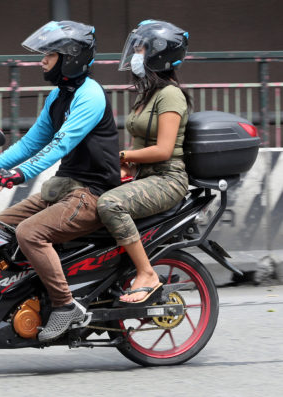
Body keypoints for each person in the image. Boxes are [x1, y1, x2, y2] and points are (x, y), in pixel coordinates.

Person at [0, 21, 120, 342]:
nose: (42, 61)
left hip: (91, 192)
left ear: (70, 57)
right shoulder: (58, 96)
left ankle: (65, 305)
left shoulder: (90, 96)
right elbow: (30, 143)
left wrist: (17, 175)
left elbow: (60, 144)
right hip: (64, 188)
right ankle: (23, 299)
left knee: (29, 233)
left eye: (49, 54)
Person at [96, 20, 192, 304]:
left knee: (109, 204)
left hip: (167, 179)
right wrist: (125, 165)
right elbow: (140, 145)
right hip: (145, 176)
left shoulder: (170, 95)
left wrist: (122, 156)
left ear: (157, 54)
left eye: (140, 49)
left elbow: (163, 150)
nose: (135, 55)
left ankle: (146, 273)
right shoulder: (146, 93)